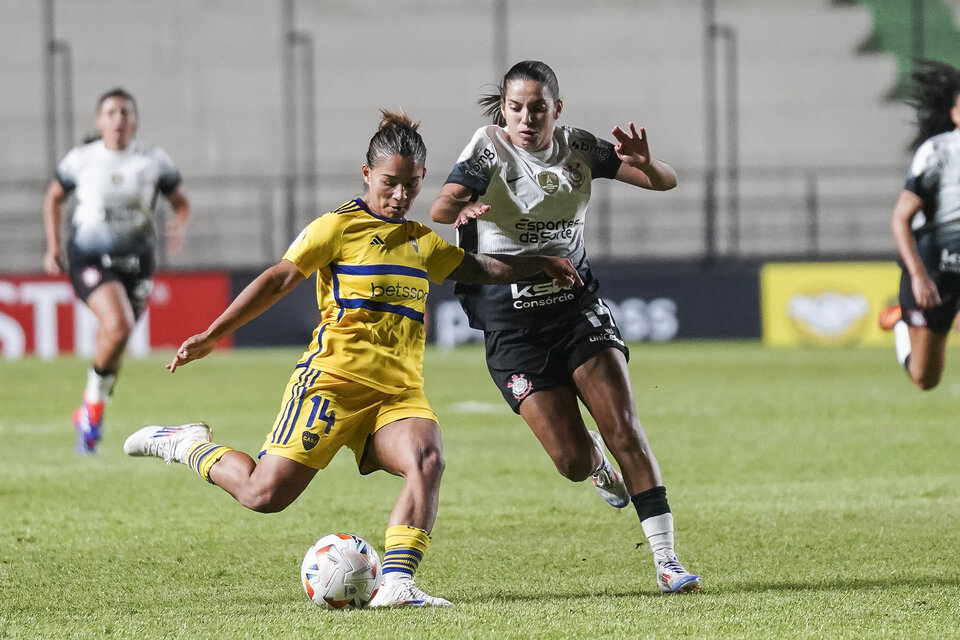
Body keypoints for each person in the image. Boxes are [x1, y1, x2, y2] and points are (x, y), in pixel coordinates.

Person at [123, 110, 581, 608]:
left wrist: (540, 262)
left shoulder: (420, 241)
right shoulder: (336, 228)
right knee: (263, 495)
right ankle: (189, 445)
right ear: (368, 176)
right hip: (331, 383)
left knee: (427, 457)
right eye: (390, 183)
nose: (401, 195)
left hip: (397, 392)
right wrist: (214, 333)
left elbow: (479, 268)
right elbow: (279, 278)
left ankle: (399, 583)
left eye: (410, 185)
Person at [430, 61, 701, 594]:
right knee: (572, 461)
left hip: (575, 307)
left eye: (537, 107)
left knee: (624, 426)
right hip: (510, 325)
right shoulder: (489, 147)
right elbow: (441, 206)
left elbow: (664, 182)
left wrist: (649, 164)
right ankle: (596, 463)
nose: (526, 118)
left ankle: (667, 561)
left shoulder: (579, 147)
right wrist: (462, 209)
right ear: (503, 110)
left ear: (557, 108)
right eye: (515, 107)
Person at [42, 88, 190, 455]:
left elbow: (180, 202)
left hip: (137, 264)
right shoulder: (82, 160)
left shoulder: (153, 160)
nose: (118, 119)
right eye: (110, 112)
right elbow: (54, 196)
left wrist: (178, 225)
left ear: (134, 120)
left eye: (125, 112)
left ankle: (91, 409)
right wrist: (53, 246)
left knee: (116, 338)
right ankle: (93, 410)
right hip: (89, 258)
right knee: (119, 325)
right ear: (99, 121)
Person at [879, 60, 960, 390]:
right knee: (924, 378)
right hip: (934, 273)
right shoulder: (937, 154)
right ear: (955, 115)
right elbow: (901, 218)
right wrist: (918, 276)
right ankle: (900, 319)